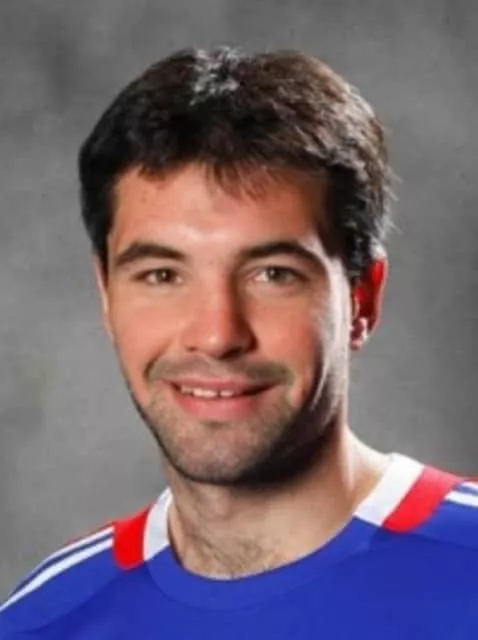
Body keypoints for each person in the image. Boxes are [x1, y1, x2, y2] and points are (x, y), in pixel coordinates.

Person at [1, 46, 477, 639]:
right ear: (106, 294)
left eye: (273, 274)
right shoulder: (43, 622)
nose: (217, 334)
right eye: (162, 275)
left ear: (362, 297)